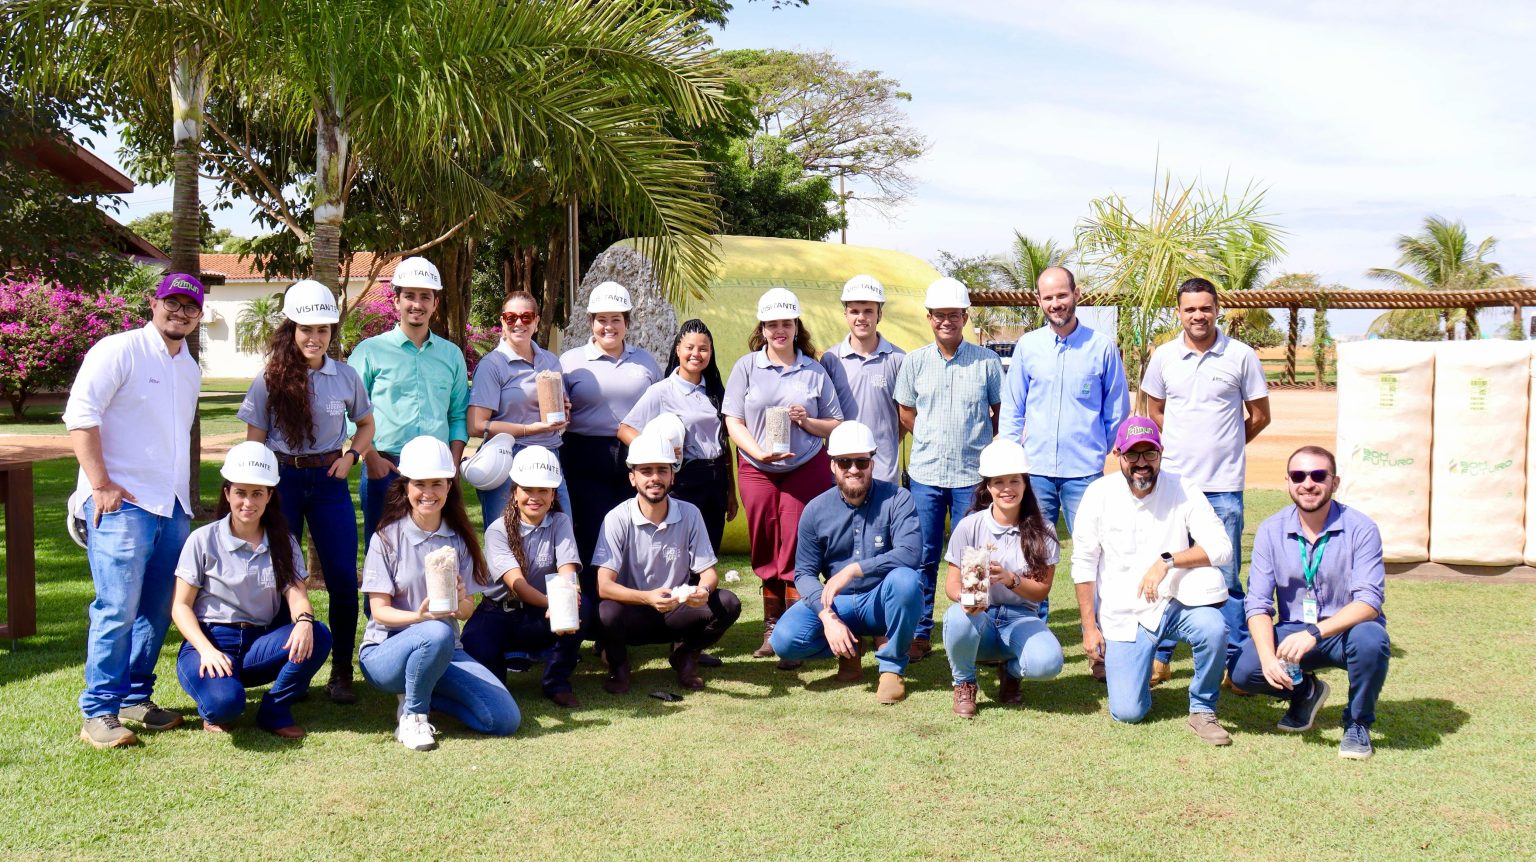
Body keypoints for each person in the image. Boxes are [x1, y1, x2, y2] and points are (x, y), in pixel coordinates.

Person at [66, 272, 204, 748]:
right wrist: (100, 485)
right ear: (153, 302)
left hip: (172, 506)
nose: (180, 312)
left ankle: (134, 698)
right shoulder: (118, 350)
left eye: (190, 306)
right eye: (172, 302)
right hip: (122, 504)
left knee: (158, 609)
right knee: (117, 607)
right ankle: (99, 711)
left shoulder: (189, 367)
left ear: (199, 315)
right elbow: (80, 416)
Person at [238, 279, 375, 704]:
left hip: (330, 482)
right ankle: (288, 668)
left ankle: (341, 672)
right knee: (282, 574)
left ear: (332, 332)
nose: (314, 337)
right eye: (306, 329)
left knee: (341, 578)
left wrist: (352, 456)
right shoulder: (269, 379)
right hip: (282, 483)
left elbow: (366, 424)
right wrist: (260, 491)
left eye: (323, 330)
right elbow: (254, 443)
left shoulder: (345, 375)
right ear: (291, 329)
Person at [1069, 416, 1236, 746]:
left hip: (1174, 603)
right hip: (1123, 616)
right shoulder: (1098, 493)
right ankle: (1135, 673)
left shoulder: (1183, 488)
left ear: (1161, 453)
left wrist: (1167, 561)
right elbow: (1083, 564)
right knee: (1128, 712)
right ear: (1118, 454)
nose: (1142, 463)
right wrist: (1089, 627)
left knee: (1213, 626)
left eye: (1150, 453)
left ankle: (1202, 709)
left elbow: (1222, 547)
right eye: (1133, 454)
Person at [1140, 277, 1270, 685]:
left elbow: (1260, 416)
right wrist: (1182, 449)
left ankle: (1234, 663)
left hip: (1223, 486)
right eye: (1190, 309)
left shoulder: (1241, 356)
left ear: (1217, 310)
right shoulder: (1164, 357)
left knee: (1225, 575)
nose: (1198, 315)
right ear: (1179, 313)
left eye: (1205, 308)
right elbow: (1155, 412)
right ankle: (1161, 656)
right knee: (1168, 569)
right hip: (1175, 487)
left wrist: (1227, 446)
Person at [358, 436, 519, 751]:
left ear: (449, 487)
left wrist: (459, 603)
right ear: (406, 487)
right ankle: (413, 716)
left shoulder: (460, 539)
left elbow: (468, 609)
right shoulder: (385, 538)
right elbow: (379, 611)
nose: (428, 493)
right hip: (386, 651)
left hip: (445, 650)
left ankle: (423, 692)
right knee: (435, 630)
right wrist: (419, 617)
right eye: (420, 484)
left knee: (504, 719)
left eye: (437, 484)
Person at [1233, 445, 1390, 760]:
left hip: (1344, 630)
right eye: (1298, 476)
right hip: (1293, 630)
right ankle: (1306, 692)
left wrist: (1315, 633)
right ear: (1288, 482)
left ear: (1335, 482)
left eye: (1318, 475)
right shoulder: (1270, 530)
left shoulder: (1361, 528)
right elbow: (1258, 604)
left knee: (1372, 640)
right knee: (1244, 670)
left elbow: (1369, 602)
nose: (1308, 483)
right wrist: (1268, 658)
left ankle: (1357, 723)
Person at [171, 443, 332, 738]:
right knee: (226, 706)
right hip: (211, 640)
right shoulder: (202, 539)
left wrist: (304, 622)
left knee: (318, 634)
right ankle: (219, 698)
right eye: (240, 493)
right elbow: (180, 606)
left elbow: (297, 595)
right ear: (227, 494)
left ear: (270, 496)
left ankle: (275, 710)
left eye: (257, 493)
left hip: (260, 643)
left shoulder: (283, 541)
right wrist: (206, 650)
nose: (248, 502)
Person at [998, 266, 1128, 622]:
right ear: (1038, 301)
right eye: (1048, 297)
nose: (1056, 303)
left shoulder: (1101, 347)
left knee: (1094, 551)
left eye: (1062, 295)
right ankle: (1031, 628)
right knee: (1032, 553)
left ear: (1076, 294)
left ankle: (1099, 630)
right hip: (1036, 471)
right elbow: (1013, 407)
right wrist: (1011, 459)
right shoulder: (1028, 347)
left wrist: (1097, 451)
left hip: (1084, 474)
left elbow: (1116, 411)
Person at [723, 288, 841, 666]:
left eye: (786, 323)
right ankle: (771, 627)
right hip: (757, 467)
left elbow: (835, 423)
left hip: (805, 466)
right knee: (763, 540)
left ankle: (792, 631)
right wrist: (757, 453)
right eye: (772, 324)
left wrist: (806, 421)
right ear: (762, 328)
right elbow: (733, 421)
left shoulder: (813, 370)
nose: (779, 330)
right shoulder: (746, 367)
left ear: (796, 326)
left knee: (795, 542)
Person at [769, 421, 923, 704]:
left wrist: (855, 569)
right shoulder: (815, 510)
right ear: (832, 465)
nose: (853, 469)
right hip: (838, 603)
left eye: (861, 461)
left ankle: (892, 668)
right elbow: (804, 573)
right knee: (784, 641)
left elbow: (911, 553)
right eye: (844, 462)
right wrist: (827, 618)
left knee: (907, 581)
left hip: (881, 600)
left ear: (872, 463)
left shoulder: (898, 498)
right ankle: (850, 649)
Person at [893, 276, 1003, 662]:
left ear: (965, 317)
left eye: (953, 315)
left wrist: (982, 447)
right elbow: (906, 412)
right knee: (922, 554)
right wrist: (929, 439)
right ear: (929, 318)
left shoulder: (987, 362)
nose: (946, 321)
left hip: (971, 477)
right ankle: (919, 631)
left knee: (974, 557)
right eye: (939, 315)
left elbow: (1000, 413)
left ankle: (975, 629)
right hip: (925, 475)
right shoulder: (915, 362)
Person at [593, 432, 741, 694]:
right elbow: (604, 586)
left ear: (673, 476)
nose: (655, 478)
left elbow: (708, 573)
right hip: (634, 611)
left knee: (728, 603)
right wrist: (647, 598)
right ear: (632, 477)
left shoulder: (690, 513)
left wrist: (702, 591)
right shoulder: (616, 518)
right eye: (646, 471)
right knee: (606, 611)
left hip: (677, 610)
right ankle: (619, 666)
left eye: (662, 470)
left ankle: (686, 655)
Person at [349, 257, 469, 548]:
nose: (417, 304)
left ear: (435, 303)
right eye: (410, 296)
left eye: (425, 296)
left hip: (437, 469)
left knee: (439, 551)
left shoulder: (451, 355)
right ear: (397, 301)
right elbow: (350, 412)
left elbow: (458, 415)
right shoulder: (370, 351)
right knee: (382, 549)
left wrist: (452, 464)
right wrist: (371, 457)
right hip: (385, 466)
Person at [942, 439, 1065, 718]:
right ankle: (964, 683)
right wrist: (966, 597)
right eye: (998, 482)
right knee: (956, 617)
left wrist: (1011, 579)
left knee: (1049, 663)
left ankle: (1011, 671)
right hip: (981, 618)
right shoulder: (969, 526)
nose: (1007, 489)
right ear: (987, 486)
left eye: (1014, 481)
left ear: (1025, 484)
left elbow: (1041, 592)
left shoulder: (1044, 530)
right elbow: (951, 584)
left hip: (1022, 618)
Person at [461, 446, 586, 708]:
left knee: (583, 608)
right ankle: (499, 680)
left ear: (553, 495)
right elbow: (517, 585)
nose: (535, 497)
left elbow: (567, 569)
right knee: (474, 643)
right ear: (515, 492)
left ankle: (556, 681)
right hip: (500, 611)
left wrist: (567, 601)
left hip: (541, 612)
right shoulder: (497, 530)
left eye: (543, 490)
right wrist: (554, 603)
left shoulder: (560, 521)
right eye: (528, 489)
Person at [559, 281, 661, 574]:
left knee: (634, 526)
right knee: (591, 527)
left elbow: (660, 405)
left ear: (626, 322)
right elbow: (556, 407)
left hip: (634, 453)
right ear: (591, 322)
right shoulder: (570, 361)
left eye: (616, 319)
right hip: (584, 454)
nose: (608, 327)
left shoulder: (644, 361)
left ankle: (632, 593)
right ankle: (594, 595)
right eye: (601, 319)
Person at [620, 319, 738, 554]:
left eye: (703, 349)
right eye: (689, 347)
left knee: (709, 550)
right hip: (684, 479)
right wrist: (657, 450)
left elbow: (724, 445)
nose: (696, 354)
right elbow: (625, 429)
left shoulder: (716, 392)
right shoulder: (661, 391)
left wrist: (731, 492)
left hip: (716, 481)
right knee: (681, 549)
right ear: (677, 349)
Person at [467, 291, 573, 526]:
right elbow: (476, 425)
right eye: (511, 317)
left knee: (561, 531)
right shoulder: (492, 365)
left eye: (526, 317)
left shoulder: (550, 361)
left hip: (549, 454)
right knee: (506, 534)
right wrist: (529, 429)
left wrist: (563, 410)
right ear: (502, 321)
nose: (518, 323)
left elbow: (555, 408)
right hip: (509, 457)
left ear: (536, 321)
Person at [821, 275, 906, 485]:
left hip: (883, 470)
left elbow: (904, 416)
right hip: (841, 470)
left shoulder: (898, 359)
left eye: (868, 311)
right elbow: (823, 415)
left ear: (879, 315)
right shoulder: (831, 360)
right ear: (845, 314)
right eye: (854, 311)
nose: (861, 318)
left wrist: (887, 442)